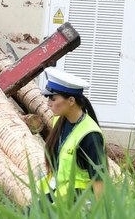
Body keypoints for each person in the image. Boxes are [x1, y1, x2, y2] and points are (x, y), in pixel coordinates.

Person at [37, 68, 106, 202]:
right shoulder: (60, 121)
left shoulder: (90, 135)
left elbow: (99, 180)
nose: (48, 103)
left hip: (77, 203)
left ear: (71, 101)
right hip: (56, 195)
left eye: (53, 98)